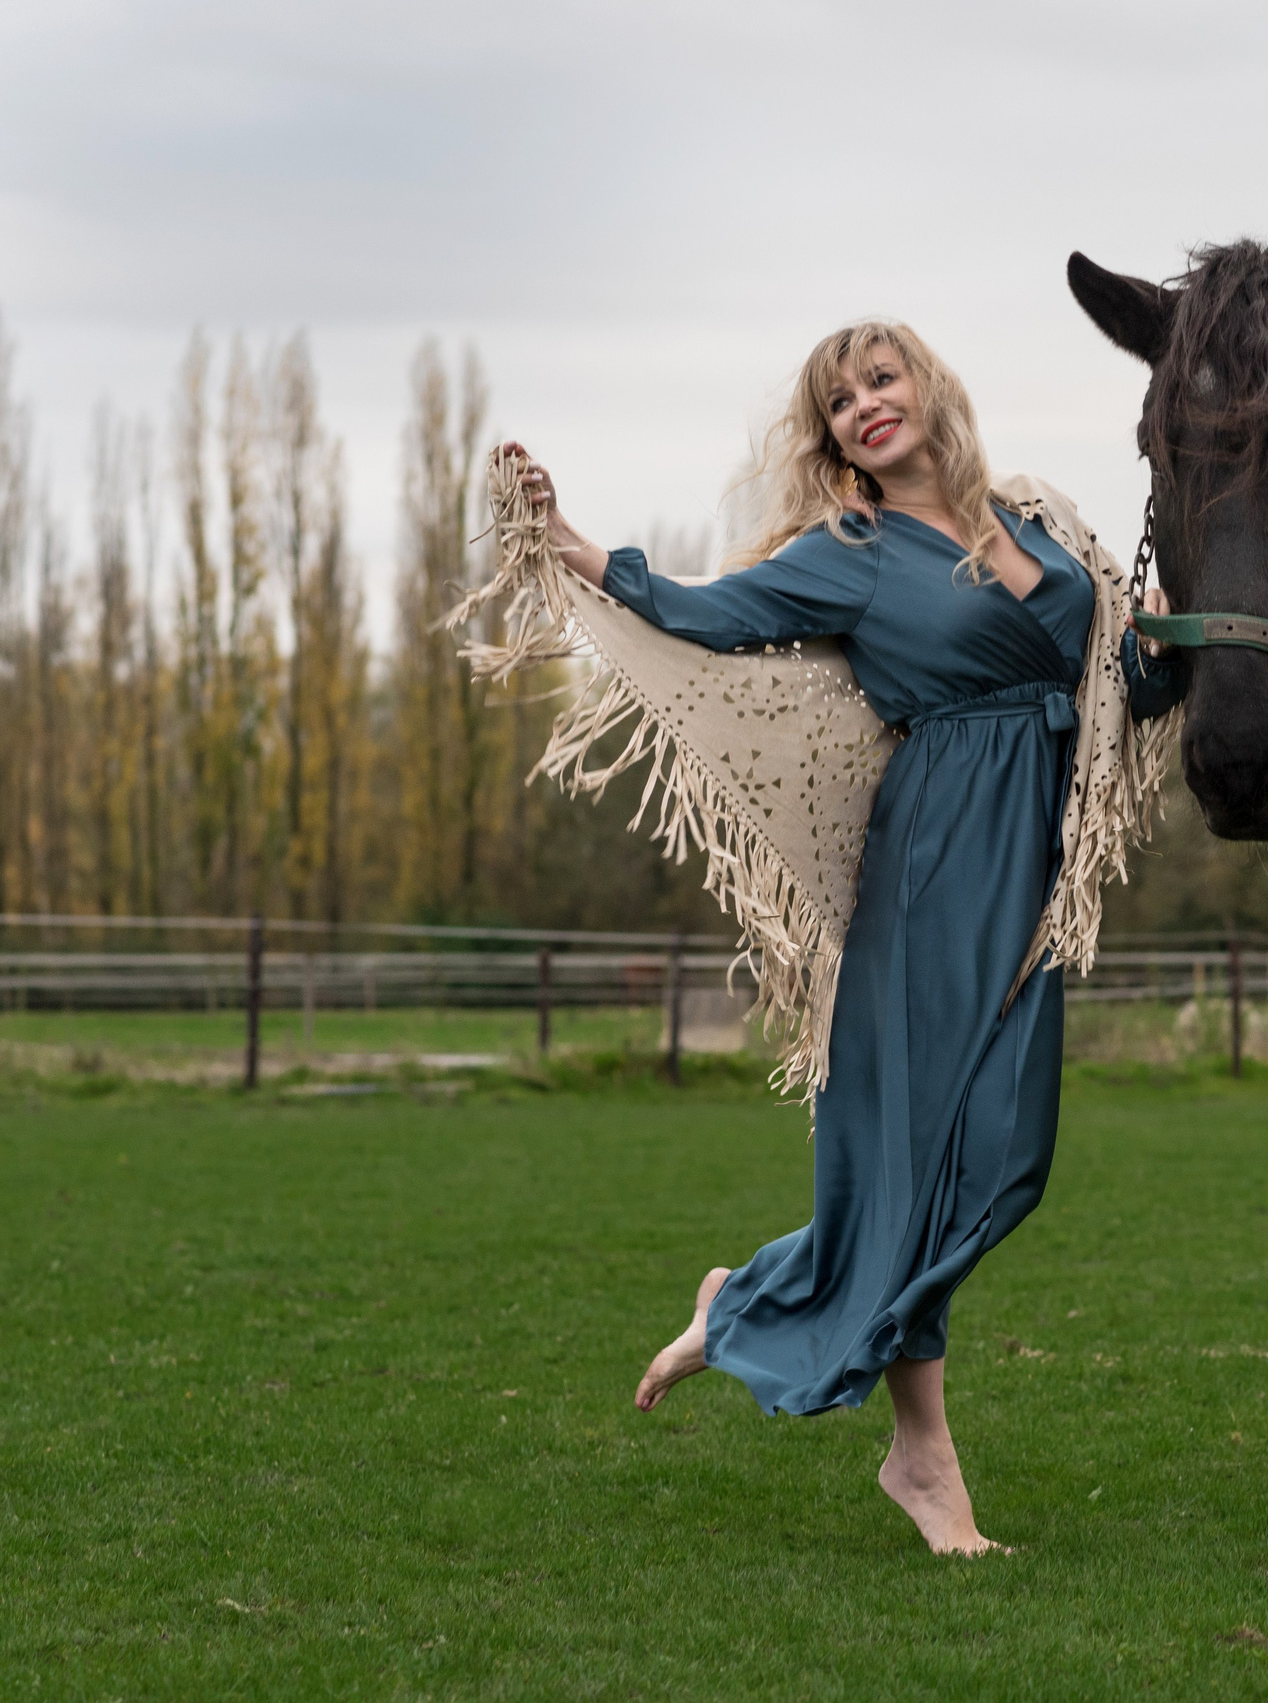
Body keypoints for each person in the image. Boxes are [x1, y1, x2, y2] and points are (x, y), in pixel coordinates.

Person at [503, 321, 1182, 1556]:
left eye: (883, 377)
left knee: (1006, 1160)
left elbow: (1107, 691)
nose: (867, 404)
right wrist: (568, 544)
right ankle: (923, 1459)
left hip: (1027, 875)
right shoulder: (850, 553)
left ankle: (749, 1297)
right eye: (841, 400)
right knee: (923, 1168)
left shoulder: (1036, 525)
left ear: (927, 387)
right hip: (932, 871)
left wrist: (1162, 651)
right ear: (831, 440)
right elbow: (706, 614)